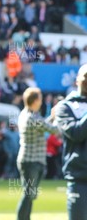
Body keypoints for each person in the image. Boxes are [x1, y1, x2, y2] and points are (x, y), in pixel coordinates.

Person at [16, 87, 59, 220]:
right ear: (35, 101)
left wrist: (52, 117)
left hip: (30, 160)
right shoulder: (32, 117)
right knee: (29, 194)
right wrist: (58, 116)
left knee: (30, 194)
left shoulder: (25, 114)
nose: (41, 102)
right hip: (32, 161)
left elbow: (42, 125)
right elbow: (53, 130)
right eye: (40, 99)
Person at [55, 63, 87, 220]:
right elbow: (76, 133)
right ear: (77, 80)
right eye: (86, 77)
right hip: (79, 176)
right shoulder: (65, 107)